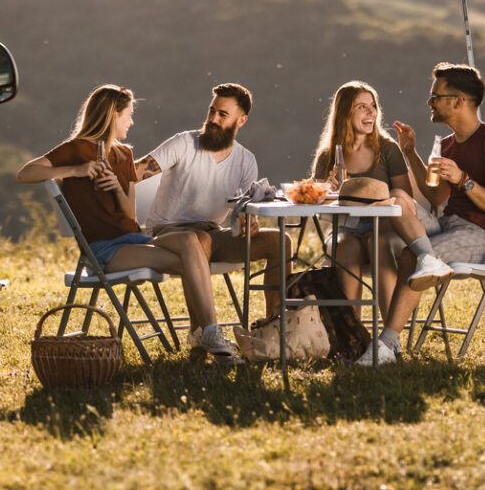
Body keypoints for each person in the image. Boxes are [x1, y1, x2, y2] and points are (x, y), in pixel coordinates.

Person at [16, 84, 238, 356]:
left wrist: (116, 187)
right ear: (112, 116)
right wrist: (76, 170)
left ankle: (206, 335)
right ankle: (209, 336)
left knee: (191, 241)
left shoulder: (124, 155)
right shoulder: (76, 150)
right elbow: (25, 173)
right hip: (104, 250)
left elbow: (129, 214)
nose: (131, 121)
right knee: (193, 260)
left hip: (136, 238)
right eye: (128, 115)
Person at [358, 63, 485, 366]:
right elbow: (435, 196)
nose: (429, 102)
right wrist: (410, 153)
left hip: (482, 235)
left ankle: (387, 345)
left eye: (436, 96)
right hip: (448, 224)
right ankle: (426, 258)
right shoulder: (446, 144)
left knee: (410, 255)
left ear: (458, 101)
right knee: (397, 199)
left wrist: (464, 180)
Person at [133, 83, 292, 320]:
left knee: (280, 241)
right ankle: (204, 332)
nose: (213, 119)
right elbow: (132, 173)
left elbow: (243, 211)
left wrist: (249, 222)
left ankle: (276, 325)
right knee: (202, 240)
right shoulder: (184, 143)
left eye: (223, 114)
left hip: (211, 234)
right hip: (167, 234)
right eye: (212, 111)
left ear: (241, 121)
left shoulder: (246, 161)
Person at [310, 81, 453, 321]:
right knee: (345, 245)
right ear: (345, 112)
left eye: (373, 106)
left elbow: (403, 201)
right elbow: (318, 205)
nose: (371, 112)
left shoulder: (387, 149)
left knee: (377, 241)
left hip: (387, 228)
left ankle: (389, 336)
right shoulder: (329, 156)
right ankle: (352, 335)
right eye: (362, 107)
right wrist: (327, 192)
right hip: (347, 228)